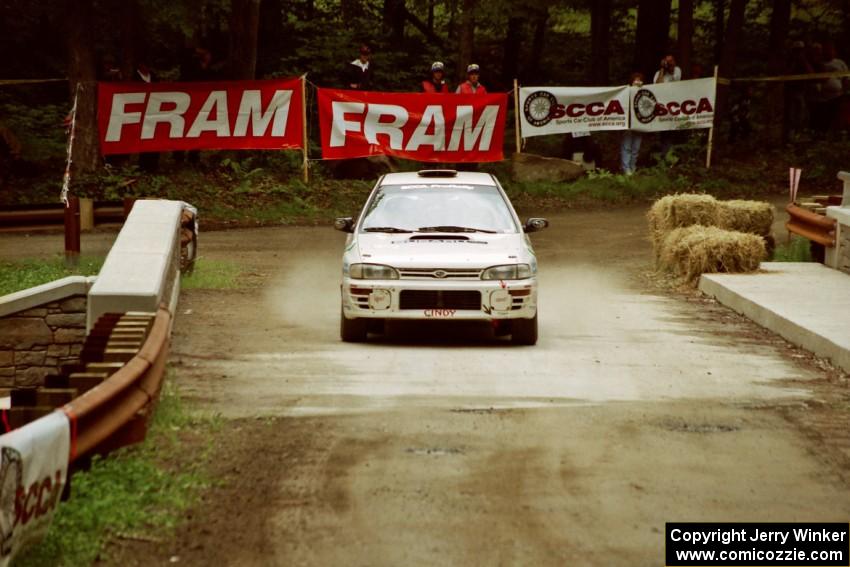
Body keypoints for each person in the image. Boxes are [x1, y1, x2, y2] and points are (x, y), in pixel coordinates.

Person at [654, 54, 681, 159]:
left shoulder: (677, 70)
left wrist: (670, 67)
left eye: (671, 61)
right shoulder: (659, 73)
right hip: (662, 105)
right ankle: (664, 156)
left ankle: (670, 156)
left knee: (672, 131)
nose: (669, 63)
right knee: (663, 131)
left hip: (674, 104)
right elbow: (657, 85)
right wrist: (662, 69)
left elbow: (676, 79)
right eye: (667, 61)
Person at [621, 72, 644, 175]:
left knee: (636, 147)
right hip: (628, 123)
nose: (637, 82)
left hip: (639, 123)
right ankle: (626, 169)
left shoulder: (644, 92)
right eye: (635, 80)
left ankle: (633, 167)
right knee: (627, 146)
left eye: (639, 80)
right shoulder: (626, 92)